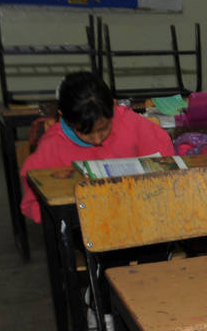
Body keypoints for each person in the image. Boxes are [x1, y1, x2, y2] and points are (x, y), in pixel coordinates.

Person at [19, 71, 175, 223]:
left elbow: (168, 166)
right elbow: (33, 202)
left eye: (104, 128)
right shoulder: (52, 146)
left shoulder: (132, 125)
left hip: (139, 216)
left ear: (113, 106)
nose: (97, 139)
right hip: (83, 223)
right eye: (86, 133)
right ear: (64, 117)